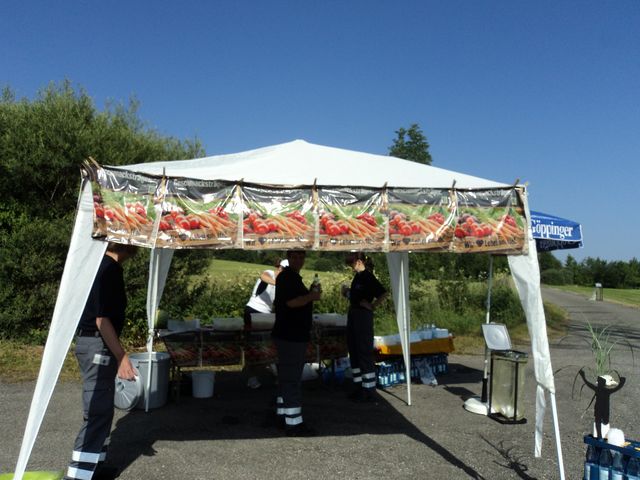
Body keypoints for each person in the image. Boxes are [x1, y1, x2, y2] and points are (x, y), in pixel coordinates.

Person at [64, 242, 138, 480]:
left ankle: (94, 466)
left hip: (94, 343)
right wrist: (121, 356)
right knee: (97, 411)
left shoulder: (99, 264)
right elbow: (101, 319)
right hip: (97, 344)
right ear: (128, 246)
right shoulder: (108, 269)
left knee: (103, 409)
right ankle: (78, 475)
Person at [271, 249, 321, 436]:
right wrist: (311, 297)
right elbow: (291, 303)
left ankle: (282, 415)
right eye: (295, 256)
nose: (299, 260)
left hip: (289, 334)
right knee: (292, 379)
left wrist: (309, 296)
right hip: (291, 336)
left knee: (286, 378)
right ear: (288, 258)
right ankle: (294, 424)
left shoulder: (293, 277)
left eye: (302, 256)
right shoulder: (288, 277)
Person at [343, 252, 387, 403]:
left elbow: (383, 293)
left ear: (359, 261)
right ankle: (359, 386)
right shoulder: (357, 277)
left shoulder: (368, 276)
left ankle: (369, 390)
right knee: (354, 350)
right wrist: (347, 293)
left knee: (364, 351)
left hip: (363, 316)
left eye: (351, 263)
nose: (350, 266)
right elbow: (356, 296)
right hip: (354, 314)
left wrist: (372, 306)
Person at [243, 258, 288, 389]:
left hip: (266, 315)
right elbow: (263, 276)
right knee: (255, 345)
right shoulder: (269, 273)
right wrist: (278, 283)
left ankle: (276, 373)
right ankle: (252, 377)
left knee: (269, 344)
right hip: (253, 310)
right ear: (279, 268)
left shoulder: (283, 283)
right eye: (283, 270)